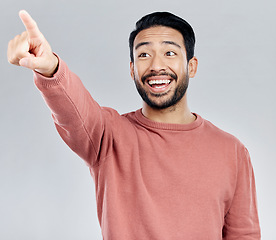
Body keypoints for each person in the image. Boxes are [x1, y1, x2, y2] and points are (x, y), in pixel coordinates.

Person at [7, 10, 261, 239]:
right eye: (144, 55)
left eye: (170, 52)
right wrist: (51, 67)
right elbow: (74, 109)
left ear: (191, 66)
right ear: (132, 70)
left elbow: (244, 234)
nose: (156, 65)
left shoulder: (232, 151)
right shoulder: (108, 136)